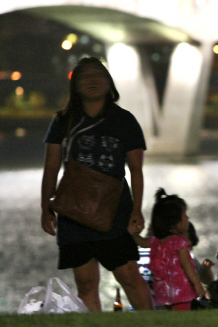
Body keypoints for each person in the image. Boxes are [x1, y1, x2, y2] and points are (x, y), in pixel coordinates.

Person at [40, 57, 153, 311]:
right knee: (86, 284)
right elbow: (51, 167)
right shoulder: (62, 121)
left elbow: (136, 169)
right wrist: (45, 208)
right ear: (75, 85)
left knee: (129, 276)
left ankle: (150, 321)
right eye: (84, 76)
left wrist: (136, 210)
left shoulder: (124, 120)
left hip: (114, 210)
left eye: (98, 75)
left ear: (109, 82)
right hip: (74, 211)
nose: (92, 81)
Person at [129, 188, 205, 310]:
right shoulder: (180, 242)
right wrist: (197, 283)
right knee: (181, 316)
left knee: (170, 316)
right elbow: (187, 266)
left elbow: (142, 242)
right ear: (174, 221)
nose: (187, 218)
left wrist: (133, 234)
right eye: (185, 215)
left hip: (163, 289)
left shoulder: (155, 241)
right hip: (181, 290)